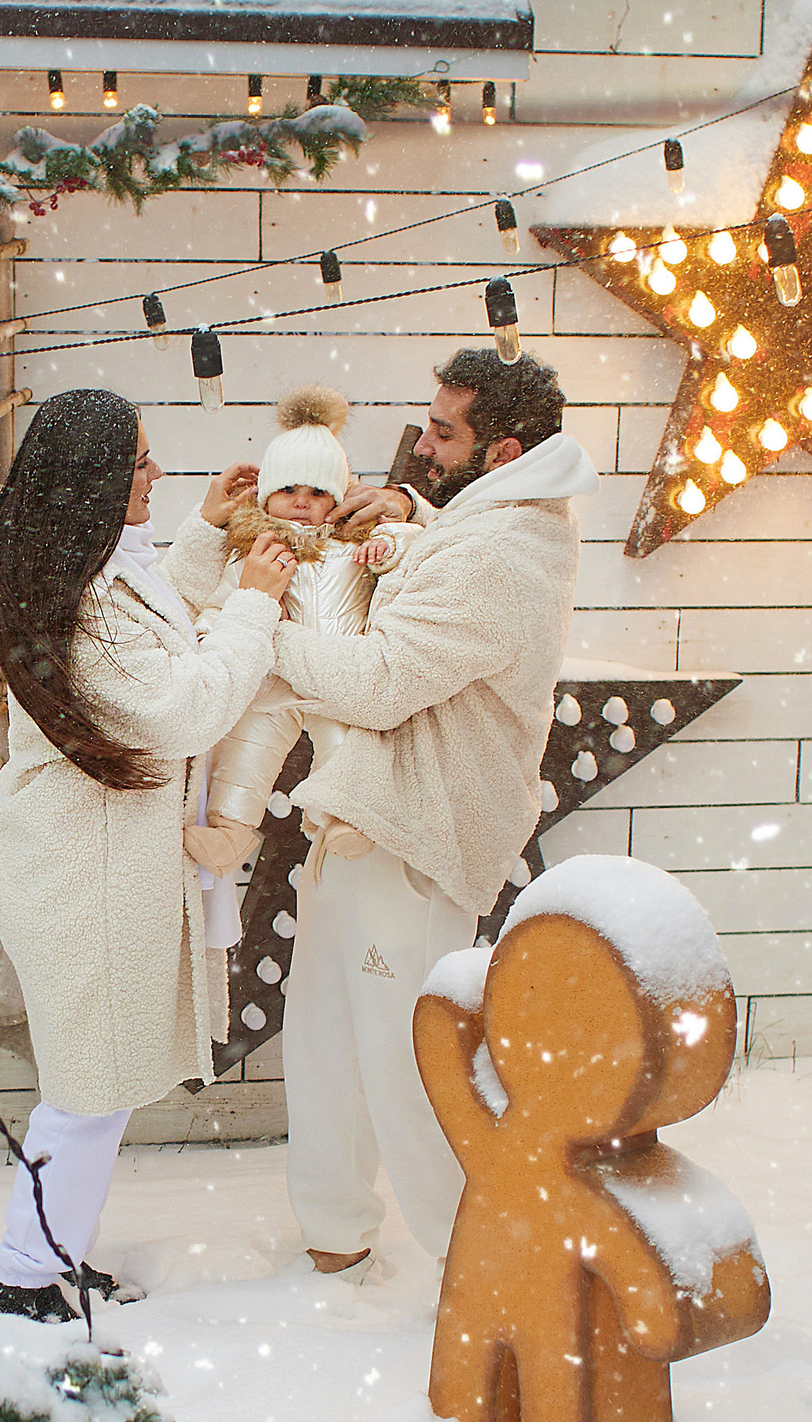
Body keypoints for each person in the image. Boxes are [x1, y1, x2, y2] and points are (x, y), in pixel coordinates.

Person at [166, 348, 595, 1277]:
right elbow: (420, 557)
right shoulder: (487, 520)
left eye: (444, 432)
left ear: (503, 449)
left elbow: (382, 681)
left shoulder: (504, 553)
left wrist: (261, 617)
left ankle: (481, 1274)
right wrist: (404, 512)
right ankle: (336, 1234)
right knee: (325, 1042)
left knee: (412, 1065)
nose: (420, 445)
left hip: (411, 830)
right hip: (354, 822)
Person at [0, 387, 297, 1321]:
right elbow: (179, 706)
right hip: (84, 872)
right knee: (88, 1090)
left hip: (95, 862)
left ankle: (45, 1257)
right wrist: (256, 604)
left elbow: (154, 617)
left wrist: (201, 528)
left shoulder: (90, 566)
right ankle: (21, 1278)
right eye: (142, 463)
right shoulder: (81, 600)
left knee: (97, 1085)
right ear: (96, 484)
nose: (158, 472)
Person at [182, 385, 419, 875]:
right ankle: (230, 831)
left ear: (338, 497)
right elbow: (225, 599)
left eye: (317, 493)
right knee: (247, 744)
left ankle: (342, 820)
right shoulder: (254, 550)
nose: (300, 503)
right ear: (266, 494)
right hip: (272, 678)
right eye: (288, 490)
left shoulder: (356, 543)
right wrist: (208, 633)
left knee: (344, 744)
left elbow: (413, 547)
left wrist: (388, 546)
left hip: (336, 672)